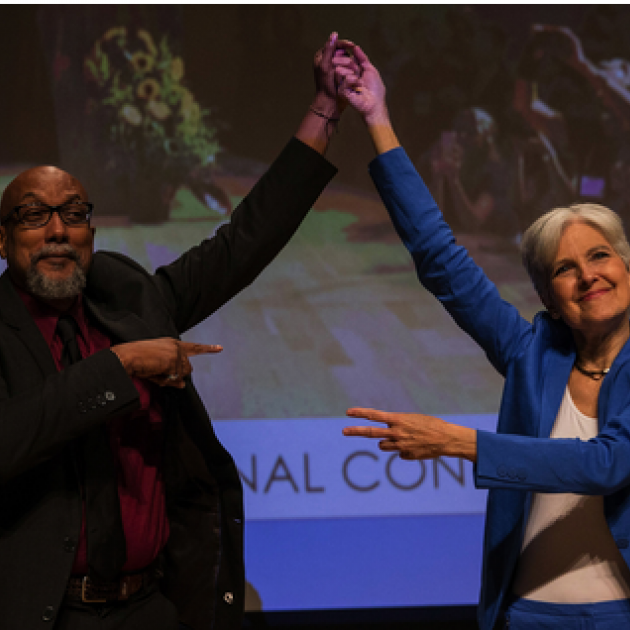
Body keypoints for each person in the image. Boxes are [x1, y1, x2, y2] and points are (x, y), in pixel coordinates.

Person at [0, 33, 346, 630]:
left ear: (91, 233)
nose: (57, 230)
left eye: (74, 213)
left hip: (153, 609)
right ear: (2, 241)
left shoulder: (127, 300)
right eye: (34, 215)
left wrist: (322, 114)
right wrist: (122, 367)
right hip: (46, 615)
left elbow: (240, 246)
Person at [335, 43, 630, 629]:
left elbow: (607, 465)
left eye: (600, 256)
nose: (588, 275)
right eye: (565, 268)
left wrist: (461, 442)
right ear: (548, 296)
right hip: (524, 615)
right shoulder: (531, 355)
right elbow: (440, 257)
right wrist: (378, 120)